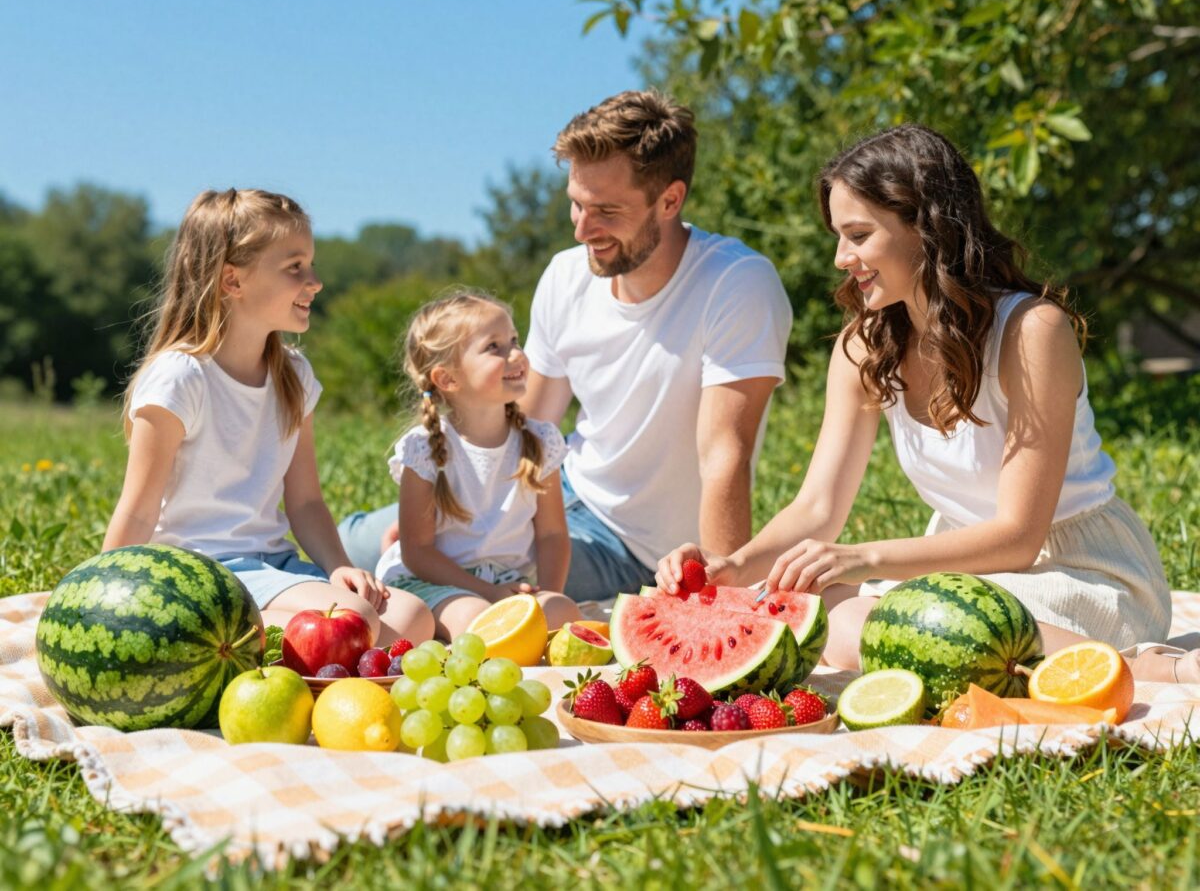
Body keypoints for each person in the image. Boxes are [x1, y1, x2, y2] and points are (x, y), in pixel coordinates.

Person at [656, 124, 1197, 683]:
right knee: (829, 609)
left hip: (1077, 568)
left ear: (927, 228)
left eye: (859, 235)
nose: (842, 257)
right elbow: (818, 507)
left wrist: (864, 557)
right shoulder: (863, 347)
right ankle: (1016, 657)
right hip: (955, 575)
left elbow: (1019, 535)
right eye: (838, 237)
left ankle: (1145, 667)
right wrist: (733, 567)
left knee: (918, 626)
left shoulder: (1033, 331)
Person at [338, 89, 792, 600]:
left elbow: (725, 451)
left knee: (470, 585)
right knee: (352, 547)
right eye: (576, 204)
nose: (581, 229)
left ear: (670, 200)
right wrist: (453, 520)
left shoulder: (735, 282)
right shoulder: (566, 274)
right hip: (550, 490)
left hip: (630, 547)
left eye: (605, 211)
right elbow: (525, 420)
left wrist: (722, 598)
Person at [103, 189, 434, 648]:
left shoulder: (294, 376)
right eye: (295, 267)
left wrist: (338, 566)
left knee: (412, 616)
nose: (314, 281)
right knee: (357, 622)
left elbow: (306, 504)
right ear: (232, 281)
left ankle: (251, 648)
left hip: (273, 566)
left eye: (312, 265)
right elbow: (138, 509)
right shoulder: (181, 377)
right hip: (200, 574)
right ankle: (214, 642)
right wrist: (99, 600)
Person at [375, 289, 582, 639]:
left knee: (562, 611)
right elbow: (418, 553)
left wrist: (547, 594)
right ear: (448, 379)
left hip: (507, 584)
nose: (517, 354)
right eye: (494, 347)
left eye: (515, 340)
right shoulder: (424, 449)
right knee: (475, 618)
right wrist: (486, 593)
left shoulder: (540, 441)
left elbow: (552, 535)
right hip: (438, 581)